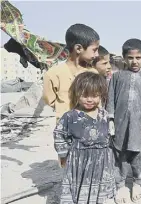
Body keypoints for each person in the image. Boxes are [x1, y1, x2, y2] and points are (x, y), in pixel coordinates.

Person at [53, 72, 116, 204]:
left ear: (101, 95)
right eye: (85, 95)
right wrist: (63, 155)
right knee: (79, 188)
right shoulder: (69, 116)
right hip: (79, 160)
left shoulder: (104, 115)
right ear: (76, 93)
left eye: (94, 95)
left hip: (102, 160)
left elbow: (110, 135)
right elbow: (60, 135)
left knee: (99, 190)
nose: (89, 99)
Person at [106, 38, 141, 204]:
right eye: (130, 57)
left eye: (138, 58)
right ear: (124, 57)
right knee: (120, 155)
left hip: (140, 125)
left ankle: (137, 183)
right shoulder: (116, 77)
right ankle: (121, 185)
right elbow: (110, 99)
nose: (134, 61)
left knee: (139, 155)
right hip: (119, 124)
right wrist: (110, 119)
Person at [43, 23, 100, 123]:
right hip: (65, 130)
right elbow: (49, 101)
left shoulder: (93, 74)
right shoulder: (53, 74)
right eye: (94, 50)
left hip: (89, 130)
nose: (97, 54)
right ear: (78, 48)